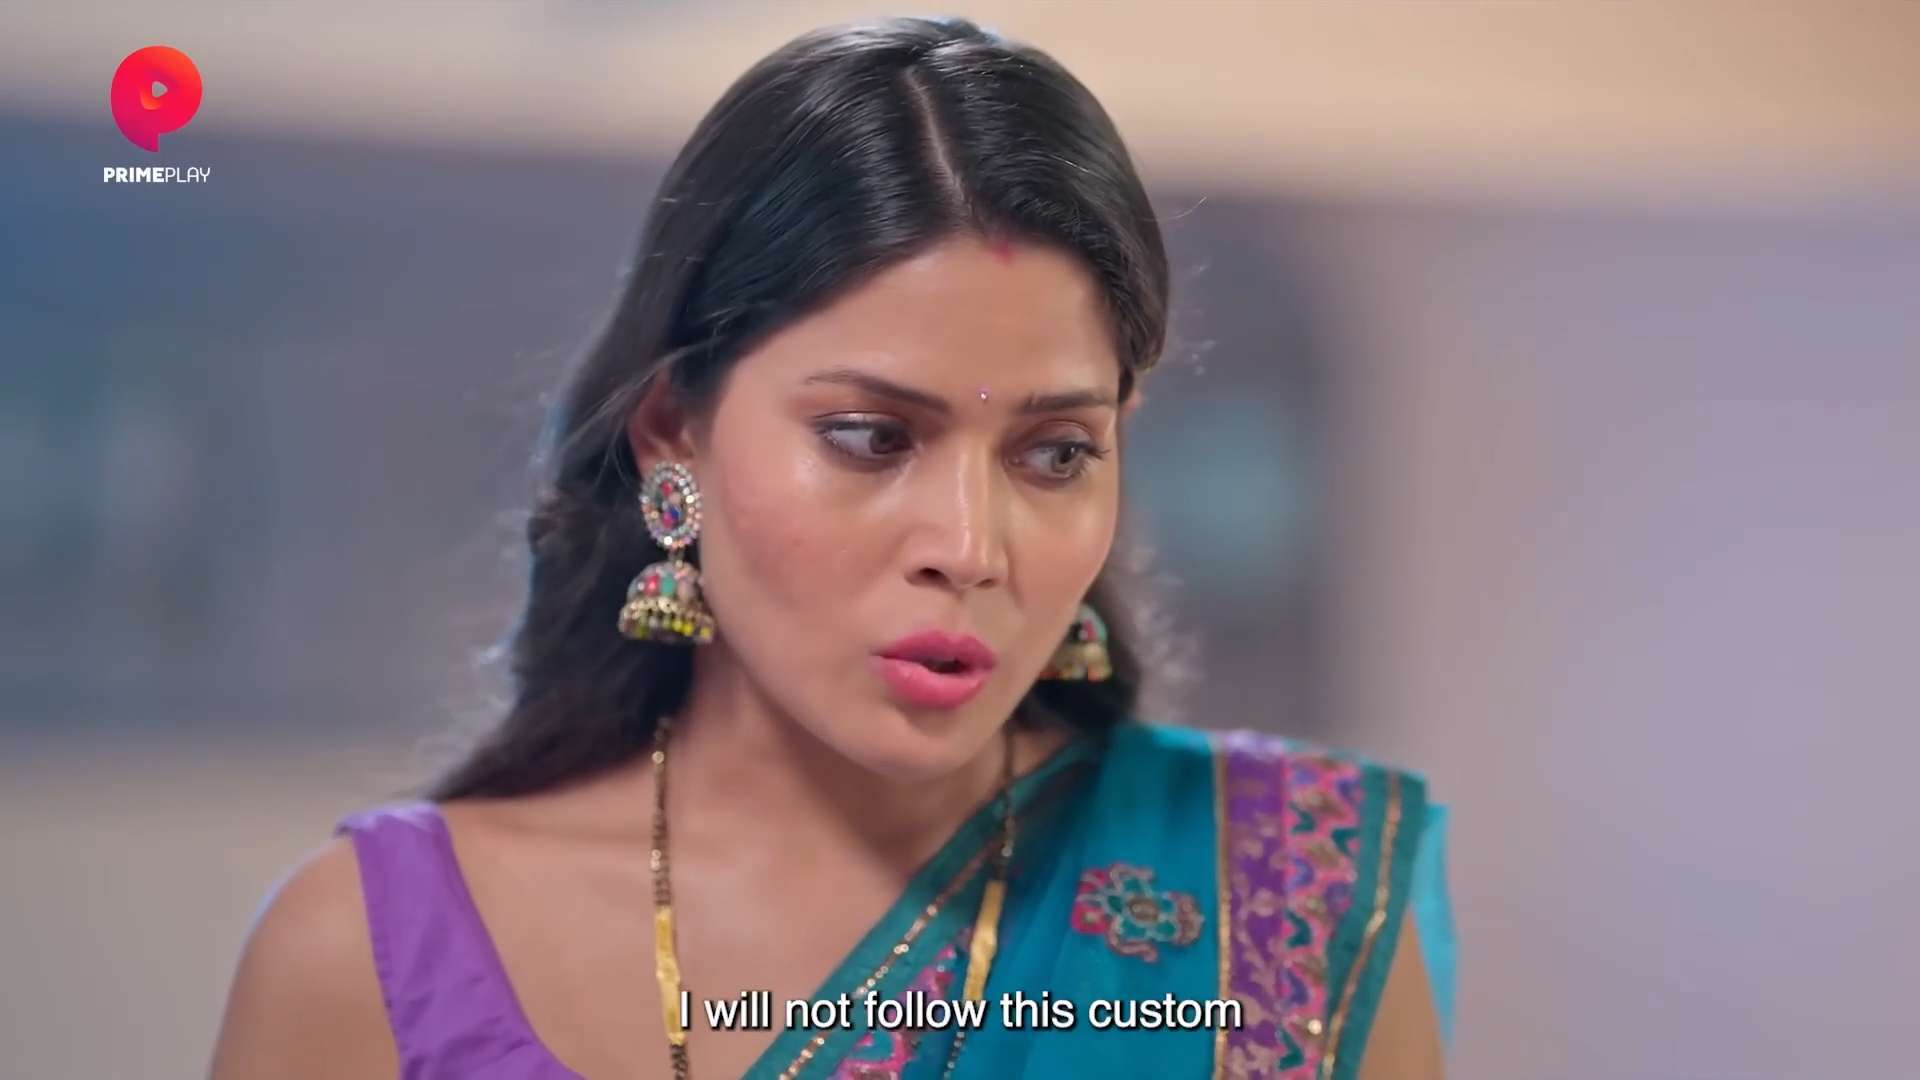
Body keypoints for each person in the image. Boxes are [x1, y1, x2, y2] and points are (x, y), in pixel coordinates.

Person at [209, 15, 1454, 1079]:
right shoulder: (360, 965)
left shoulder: (1282, 902)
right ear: (673, 437)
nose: (970, 546)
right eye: (870, 437)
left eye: (1054, 454)